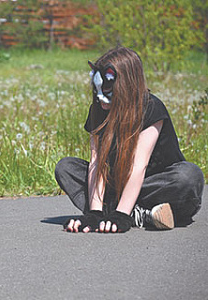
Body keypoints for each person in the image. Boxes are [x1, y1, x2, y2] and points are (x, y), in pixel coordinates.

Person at [54, 46, 204, 233]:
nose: (100, 97)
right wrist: (94, 213)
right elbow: (96, 164)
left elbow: (138, 165)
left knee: (189, 175)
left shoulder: (150, 108)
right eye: (97, 89)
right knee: (66, 168)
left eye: (107, 90)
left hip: (156, 187)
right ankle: (141, 215)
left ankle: (127, 212)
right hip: (119, 186)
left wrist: (121, 215)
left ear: (125, 86)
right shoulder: (99, 110)